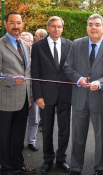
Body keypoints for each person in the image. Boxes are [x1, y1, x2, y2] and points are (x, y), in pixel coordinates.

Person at [63, 14, 103, 175]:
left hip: (102, 99)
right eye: (90, 24)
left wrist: (100, 83)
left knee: (101, 137)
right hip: (80, 97)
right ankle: (75, 167)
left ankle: (100, 167)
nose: (93, 27)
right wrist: (79, 78)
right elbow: (68, 67)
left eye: (97, 24)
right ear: (87, 27)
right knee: (78, 136)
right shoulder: (77, 44)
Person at [0, 11, 36, 175]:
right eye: (12, 23)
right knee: (5, 136)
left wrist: (29, 97)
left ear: (23, 24)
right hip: (7, 98)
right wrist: (12, 80)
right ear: (6, 24)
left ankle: (18, 163)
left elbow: (28, 73)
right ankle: (6, 167)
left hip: (23, 99)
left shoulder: (25, 45)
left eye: (19, 22)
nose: (16, 26)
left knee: (18, 135)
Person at [31, 16, 72, 174]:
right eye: (53, 26)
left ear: (62, 28)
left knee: (64, 129)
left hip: (65, 94)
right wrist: (37, 96)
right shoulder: (38, 46)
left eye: (59, 27)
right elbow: (35, 72)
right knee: (47, 129)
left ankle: (61, 158)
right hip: (45, 96)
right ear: (48, 28)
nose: (57, 29)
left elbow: (72, 69)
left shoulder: (70, 45)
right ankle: (48, 159)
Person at [20, 32, 40, 152]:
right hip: (19, 93)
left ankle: (31, 141)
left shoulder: (37, 56)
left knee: (34, 119)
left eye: (26, 40)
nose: (23, 43)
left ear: (31, 42)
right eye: (21, 40)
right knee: (20, 119)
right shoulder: (17, 55)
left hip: (34, 92)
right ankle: (19, 142)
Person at [33, 28, 48, 133]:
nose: (34, 37)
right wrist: (37, 95)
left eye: (36, 36)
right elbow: (35, 72)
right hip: (40, 89)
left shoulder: (67, 45)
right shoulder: (36, 47)